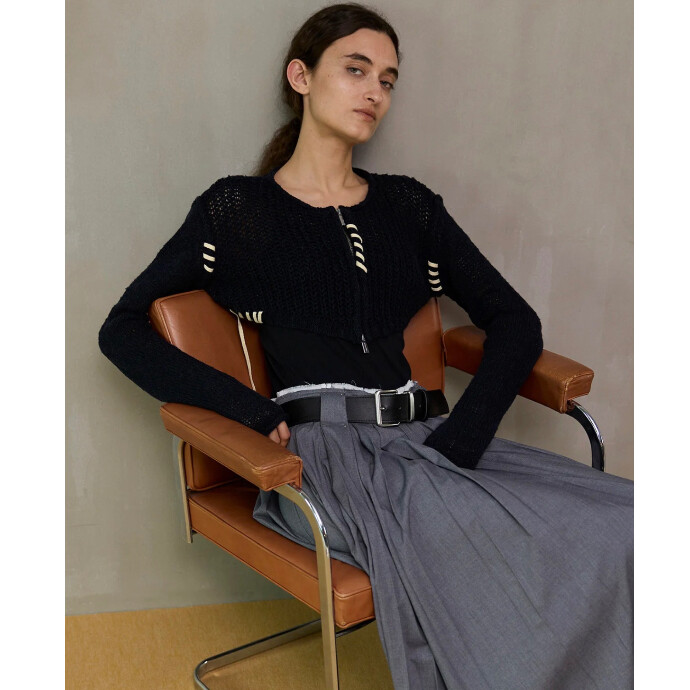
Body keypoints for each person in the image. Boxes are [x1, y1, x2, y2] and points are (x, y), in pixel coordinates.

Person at [98, 3, 633, 688]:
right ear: (301, 76)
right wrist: (249, 410)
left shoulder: (407, 207)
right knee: (554, 541)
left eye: (387, 79)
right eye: (356, 70)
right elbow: (121, 328)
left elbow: (515, 321)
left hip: (435, 442)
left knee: (634, 524)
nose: (375, 91)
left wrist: (463, 437)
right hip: (332, 461)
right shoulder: (238, 211)